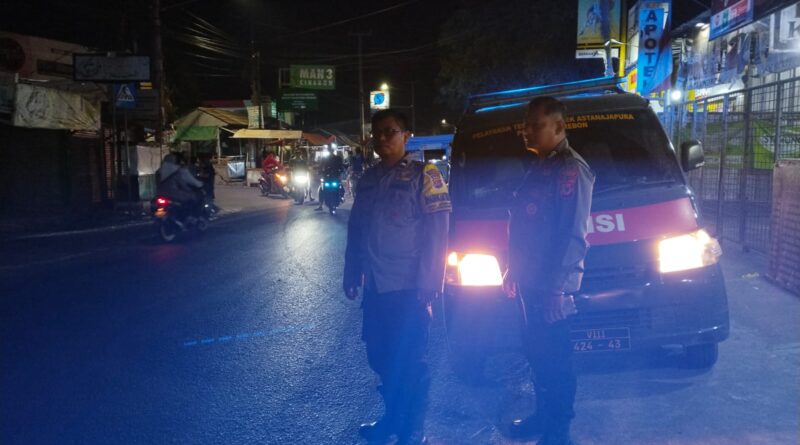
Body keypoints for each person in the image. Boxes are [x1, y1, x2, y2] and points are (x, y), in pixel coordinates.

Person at [343, 109, 450, 445]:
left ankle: (412, 430)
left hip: (409, 287)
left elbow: (438, 232)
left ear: (406, 136)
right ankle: (392, 419)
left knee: (411, 362)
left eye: (390, 131)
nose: (382, 138)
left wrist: (430, 281)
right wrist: (351, 270)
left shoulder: (426, 175)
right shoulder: (369, 179)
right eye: (377, 133)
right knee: (379, 356)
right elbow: (356, 228)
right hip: (376, 285)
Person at [504, 97, 595, 445]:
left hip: (551, 286)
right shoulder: (541, 167)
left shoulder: (570, 170)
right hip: (530, 280)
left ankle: (558, 431)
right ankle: (544, 417)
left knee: (556, 361)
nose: (527, 131)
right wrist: (513, 268)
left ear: (559, 126)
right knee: (537, 355)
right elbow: (525, 225)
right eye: (525, 124)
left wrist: (558, 288)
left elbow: (572, 234)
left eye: (536, 125)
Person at [156, 152, 205, 217]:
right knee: (196, 196)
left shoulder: (159, 171)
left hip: (160, 195)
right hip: (176, 195)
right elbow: (193, 183)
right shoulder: (180, 170)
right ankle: (194, 217)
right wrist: (201, 184)